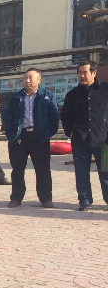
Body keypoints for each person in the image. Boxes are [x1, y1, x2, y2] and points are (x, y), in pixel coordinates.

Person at [2, 68, 60, 209]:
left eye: (31, 77)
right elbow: (8, 116)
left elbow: (54, 117)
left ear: (39, 80)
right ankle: (16, 197)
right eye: (25, 78)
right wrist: (10, 134)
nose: (27, 80)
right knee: (17, 169)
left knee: (43, 169)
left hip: (39, 137)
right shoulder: (16, 97)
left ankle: (45, 198)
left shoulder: (47, 96)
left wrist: (47, 133)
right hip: (19, 137)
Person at [61, 59, 108, 211]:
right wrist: (69, 131)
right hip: (80, 140)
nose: (81, 76)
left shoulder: (105, 91)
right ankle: (85, 200)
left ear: (94, 73)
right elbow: (65, 115)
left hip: (103, 140)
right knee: (81, 172)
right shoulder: (72, 95)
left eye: (85, 72)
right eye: (79, 73)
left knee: (106, 171)